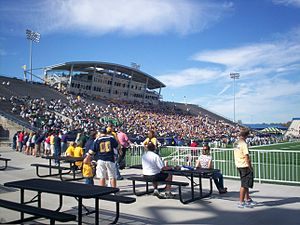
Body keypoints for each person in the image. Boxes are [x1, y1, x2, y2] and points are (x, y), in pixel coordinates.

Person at [233, 128, 257, 208]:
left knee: (245, 184)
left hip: (239, 164)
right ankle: (241, 202)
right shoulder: (244, 144)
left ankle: (248, 199)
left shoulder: (236, 143)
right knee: (244, 184)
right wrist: (250, 167)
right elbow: (246, 156)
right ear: (246, 135)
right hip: (244, 165)